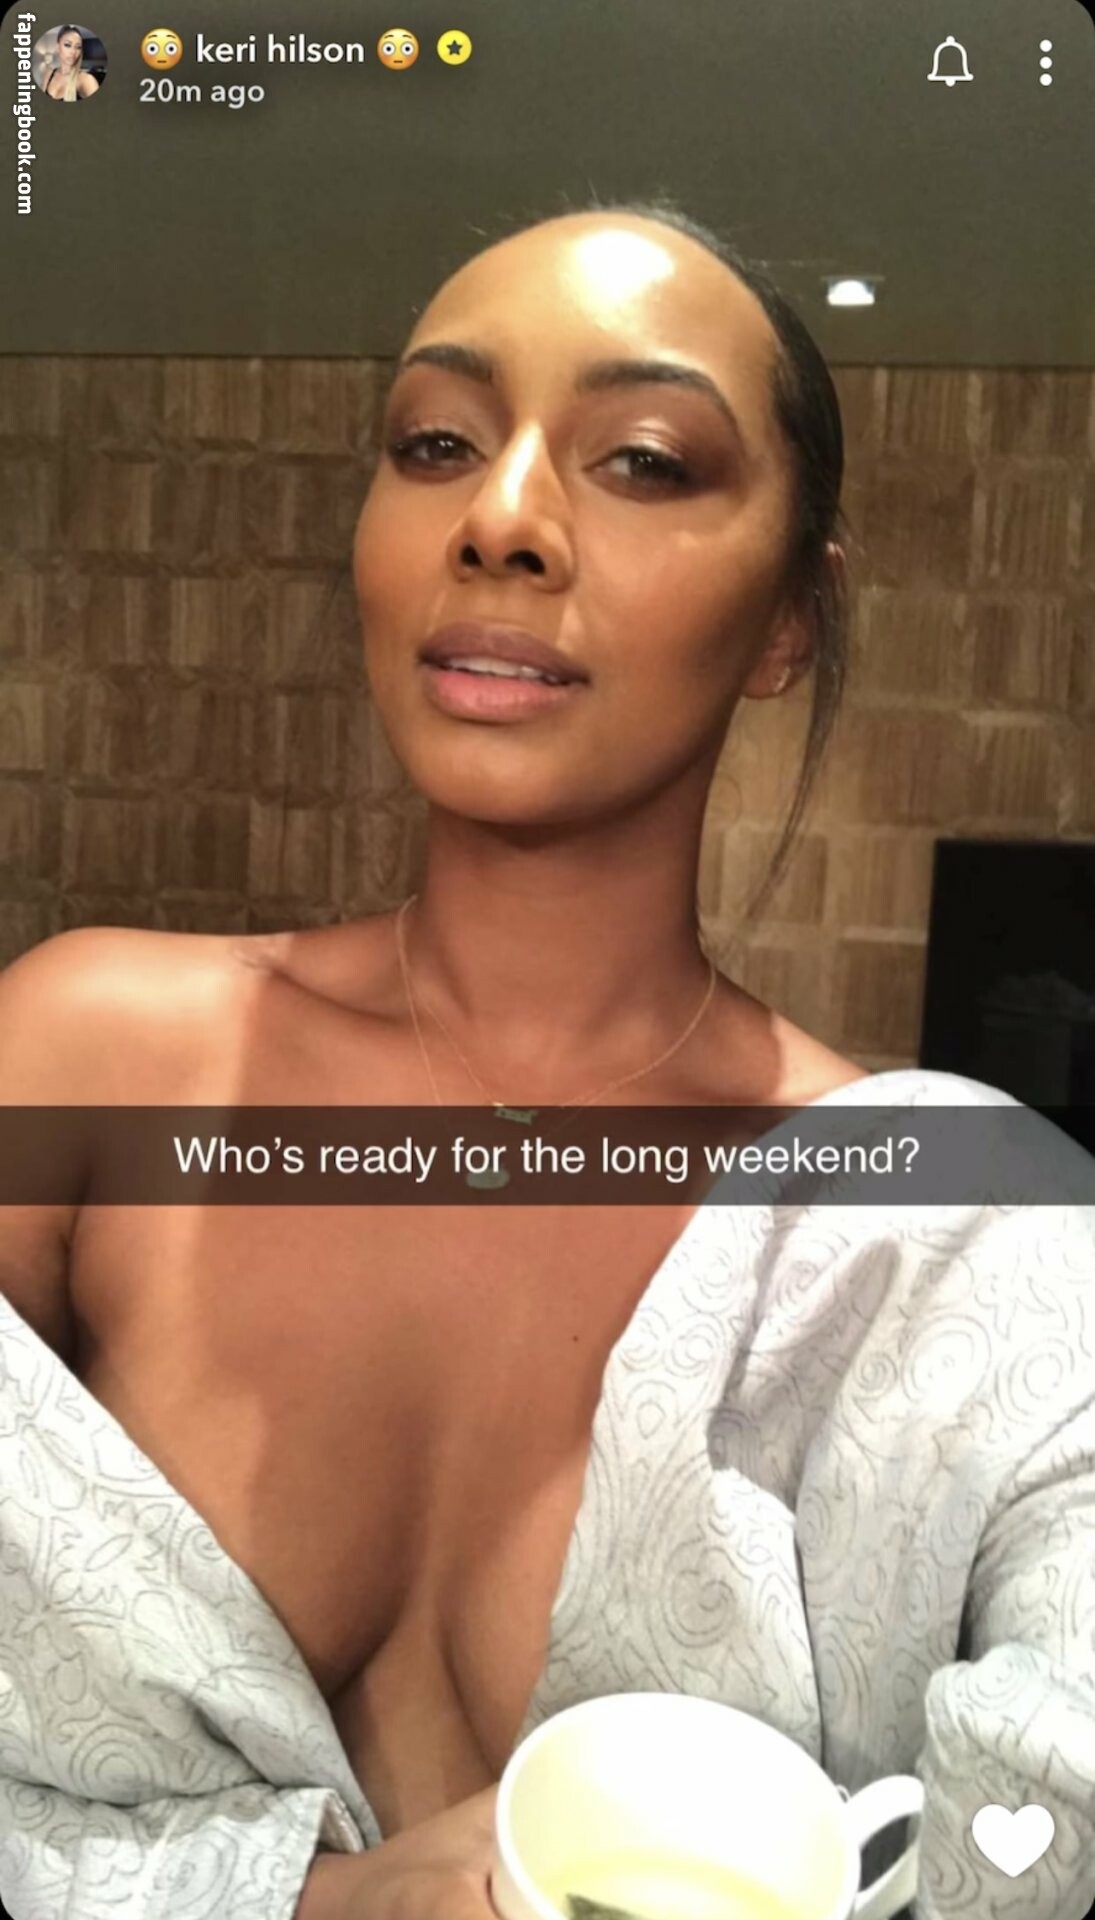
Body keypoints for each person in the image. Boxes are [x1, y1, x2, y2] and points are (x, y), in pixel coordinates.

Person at [0, 206, 1091, 1920]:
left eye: (644, 460)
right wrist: (321, 1903)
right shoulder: (88, 1064)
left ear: (788, 621)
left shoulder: (961, 1237)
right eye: (435, 442)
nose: (500, 517)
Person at [41, 24, 100, 101]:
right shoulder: (48, 74)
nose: (73, 52)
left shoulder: (86, 80)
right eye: (67, 45)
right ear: (58, 47)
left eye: (78, 47)